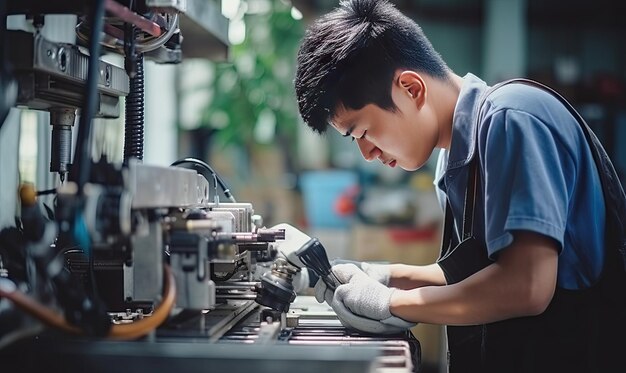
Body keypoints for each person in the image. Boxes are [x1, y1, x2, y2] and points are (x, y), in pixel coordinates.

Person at [288, 0, 626, 372]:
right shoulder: (454, 159)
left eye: (363, 132)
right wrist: (382, 274)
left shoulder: (512, 119)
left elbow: (526, 286)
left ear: (411, 89)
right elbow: (476, 273)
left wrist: (390, 303)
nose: (367, 153)